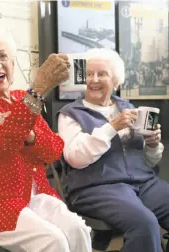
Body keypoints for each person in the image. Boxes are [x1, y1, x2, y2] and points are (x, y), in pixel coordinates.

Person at [0, 29, 92, 252]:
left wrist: (29, 135)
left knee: (77, 228)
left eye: (2, 56)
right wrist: (38, 90)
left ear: (12, 61)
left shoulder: (22, 99)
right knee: (53, 240)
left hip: (34, 196)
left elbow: (54, 150)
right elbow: (3, 146)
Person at [58, 48, 169, 252]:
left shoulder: (129, 107)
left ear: (116, 81)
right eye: (89, 74)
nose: (94, 79)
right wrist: (112, 127)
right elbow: (74, 157)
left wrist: (152, 145)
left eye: (102, 74)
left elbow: (150, 162)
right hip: (98, 187)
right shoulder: (71, 114)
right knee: (145, 224)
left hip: (144, 183)